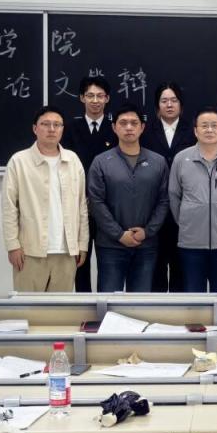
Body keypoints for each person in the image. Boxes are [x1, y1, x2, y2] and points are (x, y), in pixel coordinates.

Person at [1, 105, 88, 292]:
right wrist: (12, 245)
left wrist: (82, 244)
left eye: (57, 125)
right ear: (35, 128)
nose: (52, 129)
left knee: (59, 308)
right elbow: (9, 207)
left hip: (66, 252)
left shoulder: (73, 160)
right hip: (30, 251)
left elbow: (82, 207)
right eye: (45, 124)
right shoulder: (19, 161)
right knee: (28, 307)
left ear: (62, 129)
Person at [86, 104, 169, 292]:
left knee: (139, 303)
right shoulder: (101, 162)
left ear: (142, 127)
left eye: (134, 123)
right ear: (114, 127)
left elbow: (164, 201)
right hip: (110, 246)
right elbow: (96, 202)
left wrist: (147, 231)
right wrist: (119, 234)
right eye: (123, 123)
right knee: (108, 301)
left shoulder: (158, 162)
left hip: (146, 245)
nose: (129, 127)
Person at [168, 107, 217, 293]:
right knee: (193, 296)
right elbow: (174, 195)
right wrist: (186, 221)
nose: (209, 130)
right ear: (196, 131)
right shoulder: (181, 159)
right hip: (191, 243)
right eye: (204, 126)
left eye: (214, 125)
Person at [61, 77, 117, 292]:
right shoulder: (69, 129)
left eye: (100, 96)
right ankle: (83, 305)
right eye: (90, 95)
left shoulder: (116, 129)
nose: (95, 100)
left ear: (107, 99)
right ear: (82, 98)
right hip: (78, 205)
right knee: (79, 262)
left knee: (108, 263)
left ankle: (105, 306)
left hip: (108, 207)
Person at [142, 82, 196, 292]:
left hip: (184, 207)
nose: (169, 105)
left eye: (174, 100)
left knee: (180, 268)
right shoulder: (146, 131)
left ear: (181, 104)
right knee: (156, 268)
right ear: (157, 105)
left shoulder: (192, 131)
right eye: (164, 101)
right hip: (153, 206)